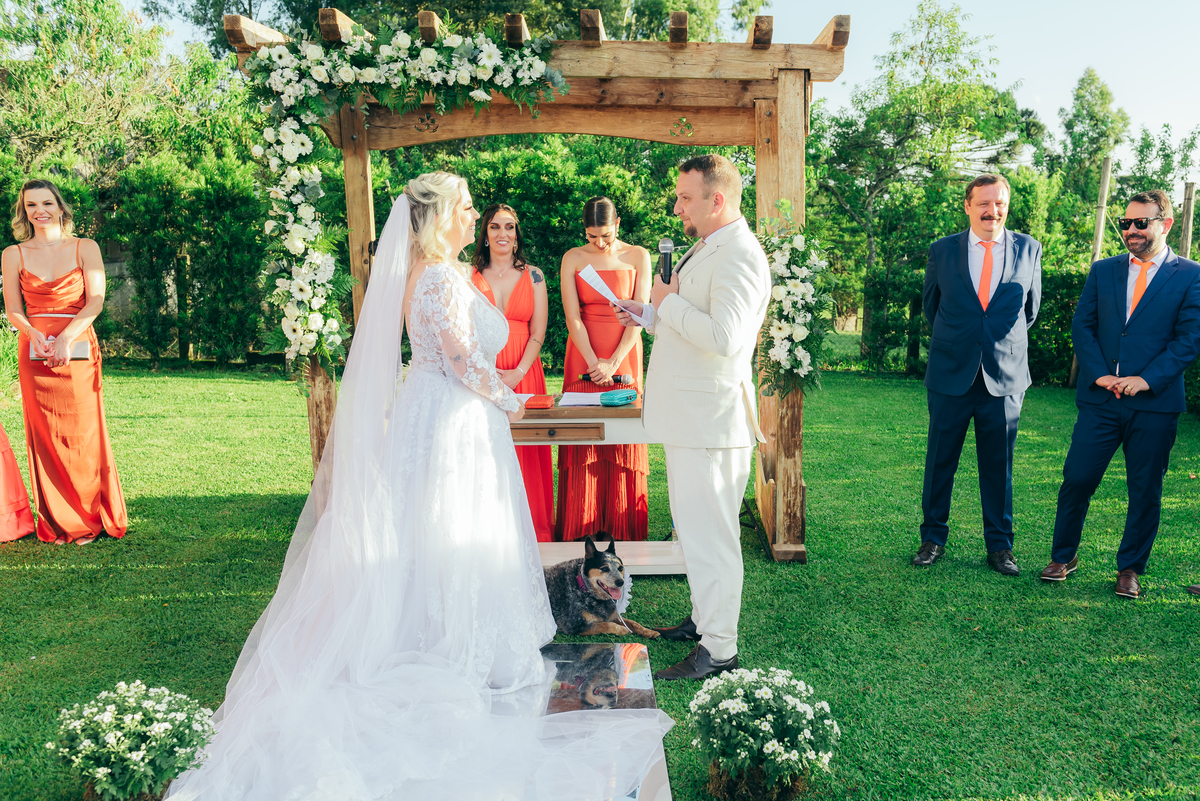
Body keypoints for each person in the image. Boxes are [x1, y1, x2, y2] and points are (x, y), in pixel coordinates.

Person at [166, 173, 671, 801]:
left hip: (464, 416)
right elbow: (460, 362)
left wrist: (499, 396)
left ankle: (473, 633)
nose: (474, 215)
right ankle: (444, 643)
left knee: (464, 532)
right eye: (465, 208)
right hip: (452, 421)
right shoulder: (433, 277)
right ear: (439, 219)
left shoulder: (449, 273)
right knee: (449, 525)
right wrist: (510, 399)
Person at [613, 154, 770, 681]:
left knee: (713, 539)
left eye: (685, 197)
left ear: (716, 199)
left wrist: (667, 304)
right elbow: (692, 325)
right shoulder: (708, 246)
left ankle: (719, 652)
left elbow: (727, 339)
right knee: (695, 535)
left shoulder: (740, 255)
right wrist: (651, 315)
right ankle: (705, 621)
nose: (677, 205)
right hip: (689, 420)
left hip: (711, 424)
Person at [1041, 190, 1200, 599]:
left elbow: (1189, 338)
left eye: (1140, 223)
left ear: (1165, 224)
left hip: (1155, 404)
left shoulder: (1191, 274)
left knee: (1145, 489)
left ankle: (1129, 568)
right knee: (1077, 478)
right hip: (1101, 401)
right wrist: (1100, 376)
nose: (1130, 230)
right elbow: (1083, 327)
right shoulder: (1103, 270)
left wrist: (1145, 380)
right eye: (1125, 223)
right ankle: (1064, 556)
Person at [915, 174, 1042, 575]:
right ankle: (932, 539)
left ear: (1007, 205)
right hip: (951, 373)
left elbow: (1030, 310)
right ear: (968, 206)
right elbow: (931, 308)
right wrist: (963, 341)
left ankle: (1000, 547)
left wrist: (995, 345)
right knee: (940, 462)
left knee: (998, 465)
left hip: (1004, 376)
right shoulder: (943, 250)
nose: (993, 211)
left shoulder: (1030, 249)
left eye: (1000, 203)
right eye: (984, 203)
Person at [1, 179, 126, 545]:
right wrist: (32, 334)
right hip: (35, 352)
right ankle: (56, 519)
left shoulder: (86, 247)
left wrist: (68, 336)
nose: (39, 211)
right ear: (23, 211)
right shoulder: (14, 254)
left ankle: (88, 517)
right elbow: (13, 309)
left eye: (46, 203)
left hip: (78, 349)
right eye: (30, 205)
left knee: (83, 434)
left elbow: (96, 300)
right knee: (46, 437)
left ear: (60, 207)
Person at [556, 197, 652, 542]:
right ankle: (578, 529)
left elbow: (640, 315)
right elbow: (572, 317)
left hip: (624, 354)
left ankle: (624, 529)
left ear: (618, 224)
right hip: (584, 355)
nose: (599, 243)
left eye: (606, 236)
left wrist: (613, 362)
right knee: (583, 437)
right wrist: (595, 362)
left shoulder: (638, 256)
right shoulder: (573, 258)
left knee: (623, 439)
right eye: (592, 236)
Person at [470, 203, 554, 541]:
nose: (502, 234)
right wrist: (486, 373)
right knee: (485, 447)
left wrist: (519, 372)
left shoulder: (534, 275)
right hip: (483, 371)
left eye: (509, 227)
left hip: (524, 369)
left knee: (526, 450)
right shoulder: (469, 275)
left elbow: (538, 331)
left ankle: (534, 531)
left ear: (517, 235)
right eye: (494, 227)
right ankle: (491, 534)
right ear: (485, 234)